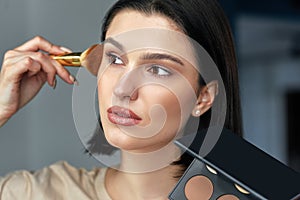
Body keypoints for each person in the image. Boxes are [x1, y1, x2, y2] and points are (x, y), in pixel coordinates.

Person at [0, 0, 243, 199]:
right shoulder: (35, 193)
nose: (123, 89)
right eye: (115, 59)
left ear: (203, 98)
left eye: (158, 69)